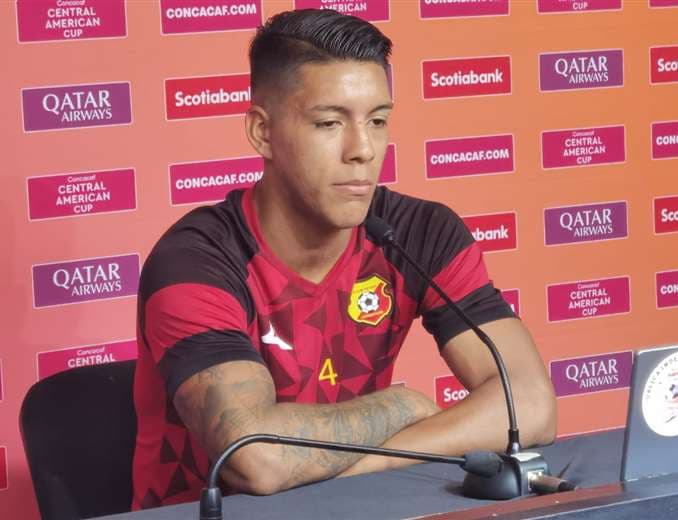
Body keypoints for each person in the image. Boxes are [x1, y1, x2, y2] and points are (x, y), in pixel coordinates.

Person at [131, 8, 556, 510]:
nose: (363, 150)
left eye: (377, 120)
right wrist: (402, 406)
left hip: (356, 506)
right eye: (329, 123)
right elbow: (256, 459)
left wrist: (375, 461)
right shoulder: (195, 261)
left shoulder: (417, 233)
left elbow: (530, 406)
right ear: (262, 132)